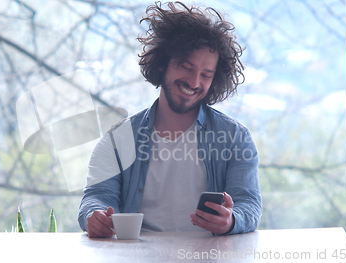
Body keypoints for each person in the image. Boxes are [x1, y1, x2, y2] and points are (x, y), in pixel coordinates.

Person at [78, 1, 261, 238]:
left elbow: (249, 204)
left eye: (206, 75)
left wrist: (232, 220)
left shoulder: (236, 138)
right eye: (186, 67)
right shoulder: (117, 140)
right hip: (136, 256)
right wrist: (95, 215)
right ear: (163, 64)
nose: (195, 82)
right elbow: (96, 196)